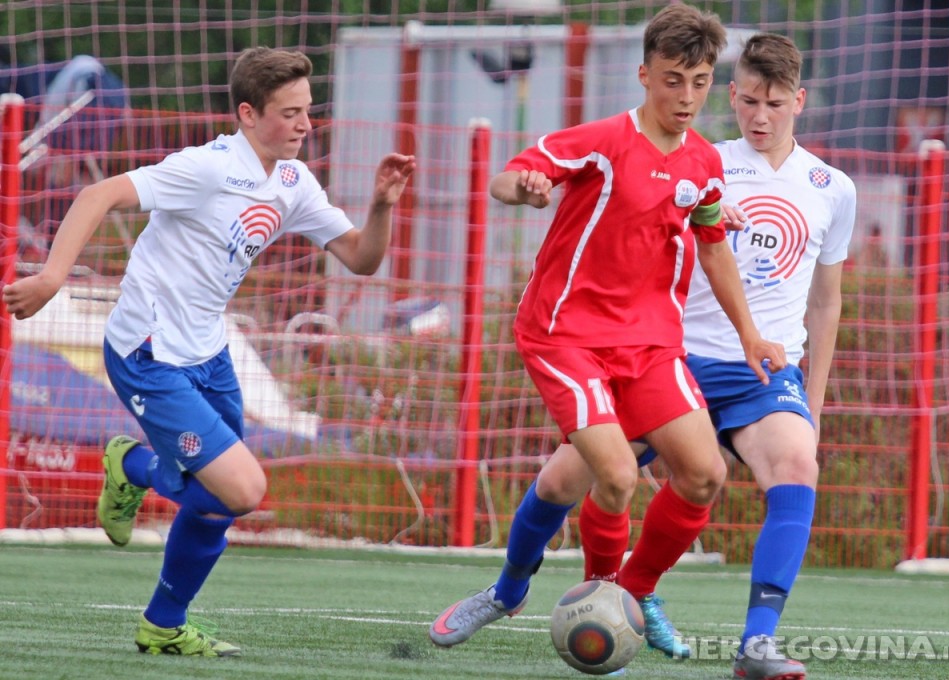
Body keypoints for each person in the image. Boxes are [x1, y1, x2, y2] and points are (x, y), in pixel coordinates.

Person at [1, 46, 415, 657]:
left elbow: (361, 258)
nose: (305, 124)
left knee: (218, 500)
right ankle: (137, 473)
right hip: (147, 350)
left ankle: (161, 618)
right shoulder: (207, 167)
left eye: (308, 110)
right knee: (242, 490)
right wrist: (52, 277)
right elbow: (98, 196)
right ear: (248, 114)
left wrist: (380, 206)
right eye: (289, 112)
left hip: (209, 352)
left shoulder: (294, 181)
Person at [428, 3, 785, 661]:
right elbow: (511, 177)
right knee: (615, 477)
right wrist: (528, 189)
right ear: (644, 74)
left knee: (705, 474)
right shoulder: (601, 141)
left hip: (649, 345)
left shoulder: (704, 163)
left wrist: (750, 336)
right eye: (673, 79)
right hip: (566, 335)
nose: (686, 95)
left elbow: (712, 247)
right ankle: (575, 603)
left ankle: (633, 592)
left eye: (700, 80)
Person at [537, 33, 857, 680]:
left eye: (773, 104)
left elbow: (826, 304)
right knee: (564, 481)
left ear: (798, 101)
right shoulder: (701, 161)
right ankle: (512, 588)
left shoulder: (832, 188)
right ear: (731, 97)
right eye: (746, 102)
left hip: (760, 374)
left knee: (797, 463)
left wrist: (813, 402)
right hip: (669, 359)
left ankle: (756, 644)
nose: (759, 117)